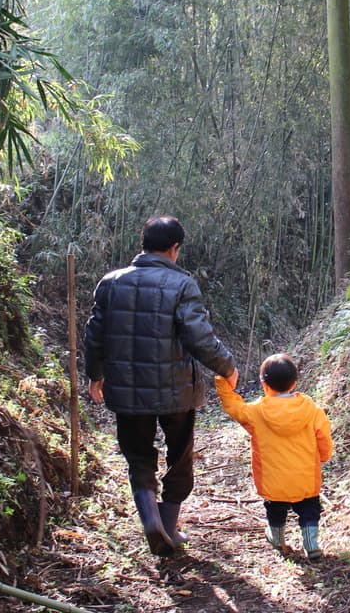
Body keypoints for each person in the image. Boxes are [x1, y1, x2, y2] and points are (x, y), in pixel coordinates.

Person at [84, 215, 238, 556]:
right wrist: (226, 366)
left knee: (138, 457)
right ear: (174, 249)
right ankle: (168, 526)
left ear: (143, 244)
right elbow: (199, 337)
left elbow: (94, 335)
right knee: (179, 456)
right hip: (176, 390)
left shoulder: (110, 283)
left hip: (126, 390)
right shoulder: (182, 285)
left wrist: (95, 375)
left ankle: (149, 519)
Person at [215, 353, 333, 560]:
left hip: (273, 480)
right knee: (309, 509)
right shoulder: (312, 410)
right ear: (295, 383)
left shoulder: (257, 411)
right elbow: (323, 437)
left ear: (263, 384)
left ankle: (277, 538)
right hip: (305, 476)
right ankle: (311, 543)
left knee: (275, 510)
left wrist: (223, 382)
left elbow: (234, 408)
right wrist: (323, 456)